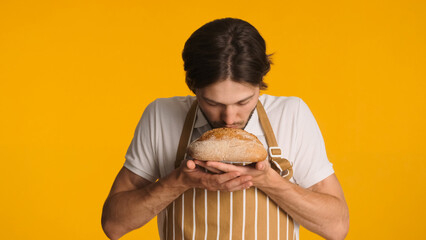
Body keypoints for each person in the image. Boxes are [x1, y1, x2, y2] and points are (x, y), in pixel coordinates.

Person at [101, 18, 349, 240]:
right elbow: (114, 225)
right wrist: (179, 181)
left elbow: (336, 227)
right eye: (213, 103)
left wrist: (269, 181)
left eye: (243, 102)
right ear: (193, 86)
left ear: (261, 82)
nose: (229, 118)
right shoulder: (161, 115)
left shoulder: (291, 114)